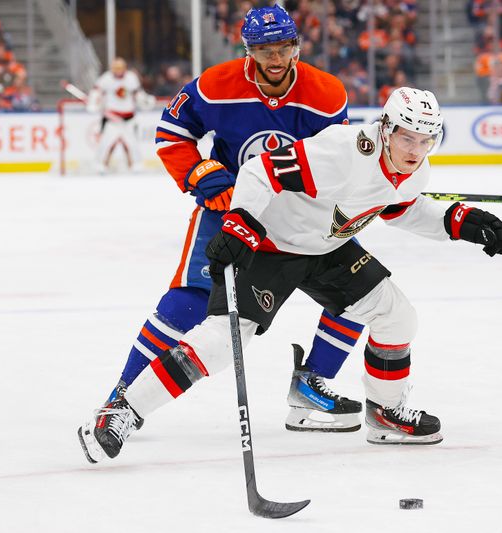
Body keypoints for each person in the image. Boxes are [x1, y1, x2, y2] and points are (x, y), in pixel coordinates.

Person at [77, 87, 502, 462]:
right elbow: (259, 170)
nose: (416, 150)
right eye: (407, 137)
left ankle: (384, 413)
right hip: (274, 245)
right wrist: (240, 222)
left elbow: (400, 206)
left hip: (327, 247)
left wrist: (457, 221)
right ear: (385, 128)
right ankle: (122, 412)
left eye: (426, 140)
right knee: (224, 339)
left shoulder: (416, 168)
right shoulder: (344, 151)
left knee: (397, 315)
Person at [78, 5, 366, 462]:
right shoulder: (216, 84)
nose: (275, 59)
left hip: (300, 216)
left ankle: (310, 385)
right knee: (191, 299)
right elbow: (173, 132)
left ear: (297, 46)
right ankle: (123, 397)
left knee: (361, 291)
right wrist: (201, 173)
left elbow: (338, 158)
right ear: (248, 50)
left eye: (284, 48)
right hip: (229, 209)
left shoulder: (326, 93)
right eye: (264, 49)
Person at [87, 57, 155, 173]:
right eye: (116, 68)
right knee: (106, 144)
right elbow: (96, 92)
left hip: (128, 119)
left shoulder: (131, 78)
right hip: (112, 119)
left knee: (132, 144)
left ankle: (136, 166)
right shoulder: (106, 78)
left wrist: (145, 101)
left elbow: (138, 94)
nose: (118, 70)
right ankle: (100, 166)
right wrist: (93, 101)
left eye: (120, 67)